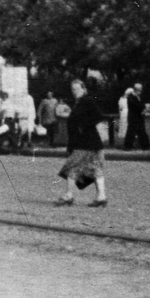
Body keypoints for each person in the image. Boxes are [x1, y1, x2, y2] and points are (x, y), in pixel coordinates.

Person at [56, 78, 108, 208]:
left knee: (72, 167)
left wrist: (84, 126)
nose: (75, 92)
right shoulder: (79, 103)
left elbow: (99, 116)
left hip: (85, 142)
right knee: (95, 168)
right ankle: (101, 196)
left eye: (77, 89)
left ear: (84, 89)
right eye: (73, 89)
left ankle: (68, 195)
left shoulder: (87, 101)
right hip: (90, 143)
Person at [123, 84, 149, 151]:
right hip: (133, 117)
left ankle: (145, 146)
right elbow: (135, 106)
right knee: (131, 131)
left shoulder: (139, 97)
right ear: (136, 89)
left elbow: (142, 104)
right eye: (140, 90)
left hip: (139, 116)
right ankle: (127, 146)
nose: (141, 91)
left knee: (142, 131)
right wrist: (142, 108)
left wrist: (144, 108)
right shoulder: (131, 97)